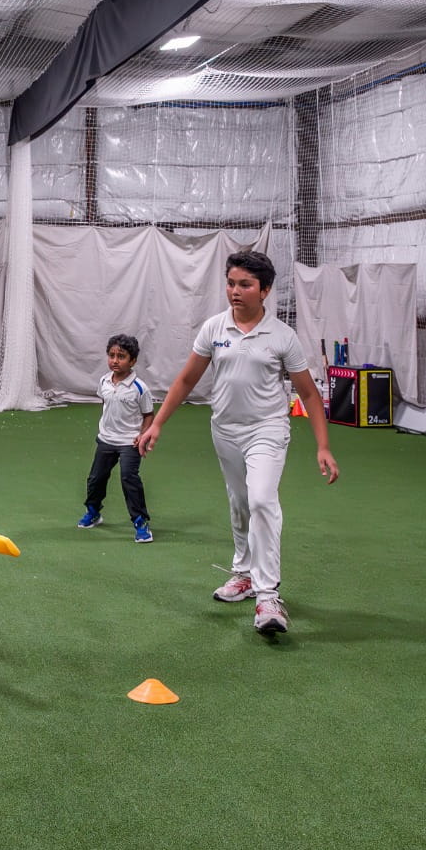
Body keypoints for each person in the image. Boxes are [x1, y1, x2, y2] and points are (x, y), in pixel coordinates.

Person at [137, 250, 338, 635]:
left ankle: (268, 596)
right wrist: (157, 424)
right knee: (240, 502)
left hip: (268, 430)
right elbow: (186, 380)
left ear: (265, 290)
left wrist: (323, 446)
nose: (235, 291)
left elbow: (309, 394)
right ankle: (244, 573)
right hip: (225, 431)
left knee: (261, 500)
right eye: (230, 283)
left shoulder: (283, 336)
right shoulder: (214, 329)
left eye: (245, 284)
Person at [77, 333, 155, 543]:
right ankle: (93, 512)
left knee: (129, 478)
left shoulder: (140, 388)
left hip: (130, 442)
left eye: (121, 356)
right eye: (111, 355)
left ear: (133, 361)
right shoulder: (104, 381)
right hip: (106, 440)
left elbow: (149, 415)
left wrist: (143, 436)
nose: (115, 360)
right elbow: (106, 403)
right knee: (96, 478)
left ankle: (140, 522)